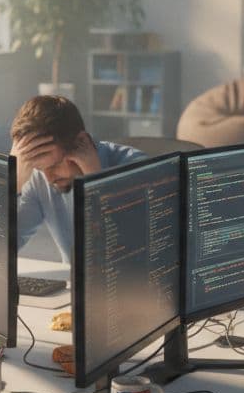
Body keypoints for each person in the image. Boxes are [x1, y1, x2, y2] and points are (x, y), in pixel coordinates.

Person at [11, 95, 144, 265]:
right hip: (73, 287)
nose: (49, 178)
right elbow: (0, 249)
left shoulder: (138, 168)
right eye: (39, 168)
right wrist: (13, 184)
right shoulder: (40, 178)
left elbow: (132, 255)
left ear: (81, 142)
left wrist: (96, 180)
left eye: (54, 165)